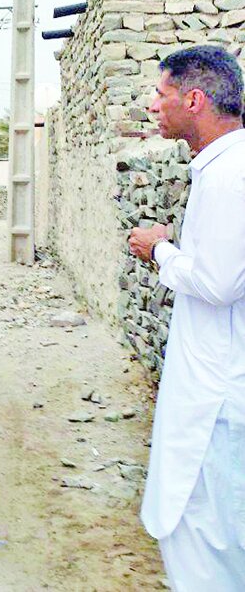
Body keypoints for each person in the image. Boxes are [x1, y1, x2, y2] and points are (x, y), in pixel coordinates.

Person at [127, 46, 245, 589]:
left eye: (162, 94)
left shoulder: (229, 177)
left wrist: (159, 251)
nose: (154, 105)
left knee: (205, 537)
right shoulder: (221, 169)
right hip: (215, 389)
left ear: (194, 100)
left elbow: (219, 284)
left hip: (218, 401)